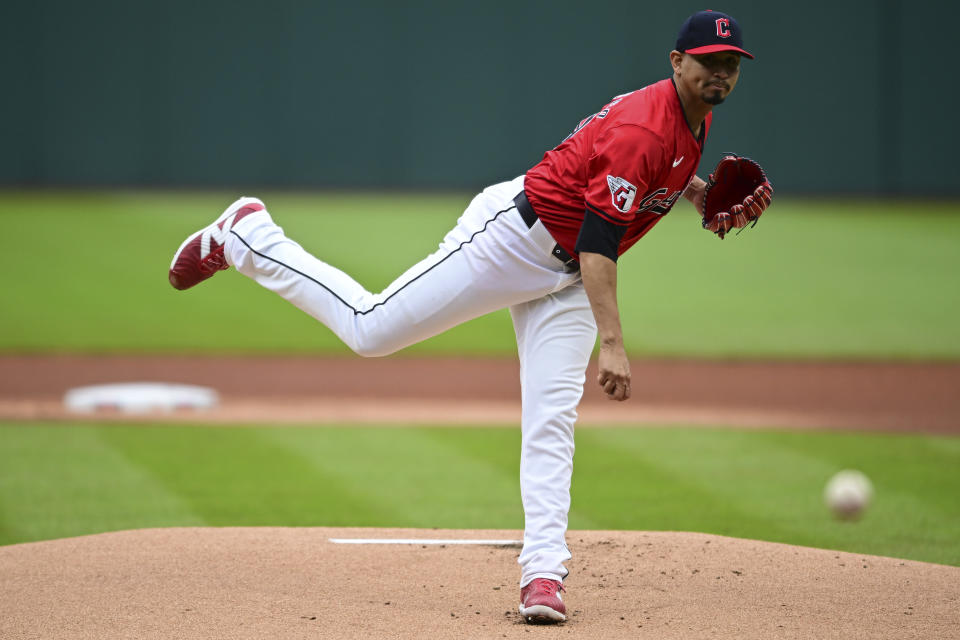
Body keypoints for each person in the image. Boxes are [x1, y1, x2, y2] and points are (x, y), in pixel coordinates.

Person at [168, 9, 767, 625]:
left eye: (729, 65)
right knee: (371, 330)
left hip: (563, 280)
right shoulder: (648, 125)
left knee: (551, 420)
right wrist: (612, 341)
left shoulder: (691, 118)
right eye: (707, 62)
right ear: (676, 62)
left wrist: (693, 189)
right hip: (512, 241)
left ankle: (543, 574)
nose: (719, 73)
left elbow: (636, 172)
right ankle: (249, 237)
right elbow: (598, 241)